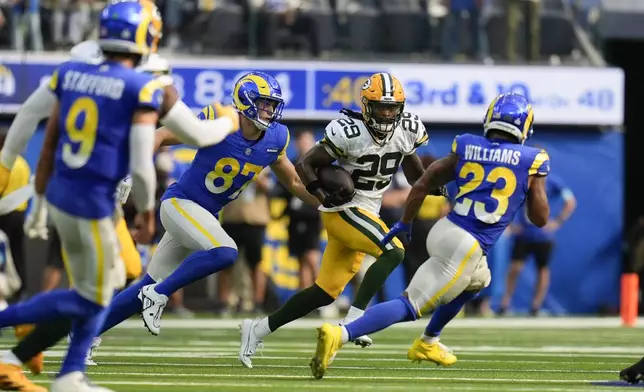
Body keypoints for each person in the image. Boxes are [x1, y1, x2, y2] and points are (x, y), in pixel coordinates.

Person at [309, 93, 551, 379]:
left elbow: (423, 182)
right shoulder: (533, 158)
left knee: (478, 280)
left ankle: (429, 341)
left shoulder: (466, 144)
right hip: (466, 245)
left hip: (445, 228)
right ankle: (341, 333)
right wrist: (533, 182)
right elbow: (539, 218)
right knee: (410, 304)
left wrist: (405, 223)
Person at [87, 71, 319, 349]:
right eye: (263, 103)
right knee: (225, 252)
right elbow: (160, 135)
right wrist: (130, 170)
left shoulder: (276, 138)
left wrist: (330, 202)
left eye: (272, 105)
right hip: (180, 204)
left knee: (145, 285)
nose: (269, 111)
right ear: (245, 101)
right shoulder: (220, 120)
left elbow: (293, 180)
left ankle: (86, 334)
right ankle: (159, 294)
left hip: (202, 215)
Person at [239, 72, 441, 368]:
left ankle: (257, 329)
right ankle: (356, 319)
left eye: (392, 107)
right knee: (394, 249)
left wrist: (432, 184)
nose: (387, 113)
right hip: (344, 209)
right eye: (380, 106)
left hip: (367, 213)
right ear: (366, 106)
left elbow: (413, 175)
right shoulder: (350, 131)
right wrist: (321, 194)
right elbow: (305, 164)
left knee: (324, 292)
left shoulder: (407, 129)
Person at [499, 172, 576, 316]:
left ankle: (536, 305)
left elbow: (570, 201)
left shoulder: (554, 182)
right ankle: (505, 303)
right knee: (515, 267)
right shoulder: (522, 179)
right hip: (524, 234)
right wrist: (510, 225)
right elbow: (507, 200)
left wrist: (557, 221)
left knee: (542, 269)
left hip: (542, 235)